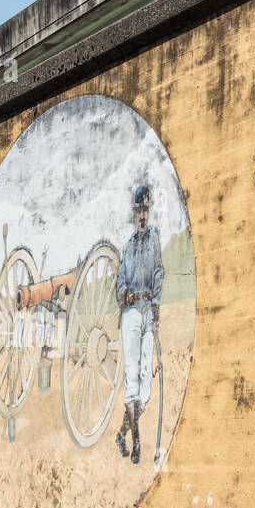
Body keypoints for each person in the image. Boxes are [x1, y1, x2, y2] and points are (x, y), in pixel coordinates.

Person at [115, 184, 162, 463]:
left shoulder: (154, 239)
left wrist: (156, 303)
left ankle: (122, 432)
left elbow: (159, 271)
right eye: (138, 211)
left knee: (146, 382)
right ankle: (137, 442)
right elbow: (120, 279)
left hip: (148, 311)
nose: (142, 215)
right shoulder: (128, 247)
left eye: (145, 210)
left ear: (149, 211)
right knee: (132, 377)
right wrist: (123, 293)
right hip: (131, 313)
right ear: (134, 214)